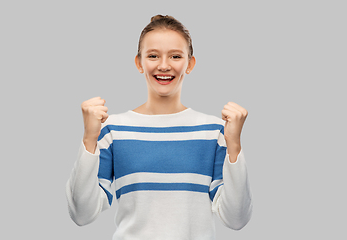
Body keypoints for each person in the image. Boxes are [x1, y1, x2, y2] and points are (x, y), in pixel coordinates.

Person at [66, 14, 252, 239]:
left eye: (175, 56)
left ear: (190, 63)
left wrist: (234, 145)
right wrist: (88, 139)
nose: (164, 65)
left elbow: (236, 219)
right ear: (139, 62)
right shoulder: (113, 129)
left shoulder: (214, 132)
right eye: (153, 55)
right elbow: (82, 215)